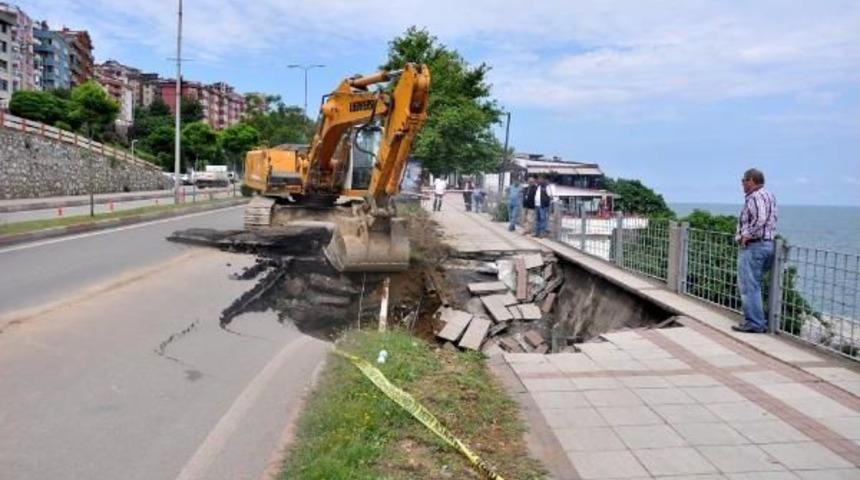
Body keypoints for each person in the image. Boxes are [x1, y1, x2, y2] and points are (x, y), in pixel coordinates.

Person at [733, 168, 778, 334]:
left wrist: (746, 235)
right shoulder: (769, 195)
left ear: (751, 180)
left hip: (754, 245)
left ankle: (755, 323)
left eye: (743, 180)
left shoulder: (755, 196)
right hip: (768, 244)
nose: (742, 184)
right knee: (755, 284)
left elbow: (760, 219)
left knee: (749, 285)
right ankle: (759, 321)